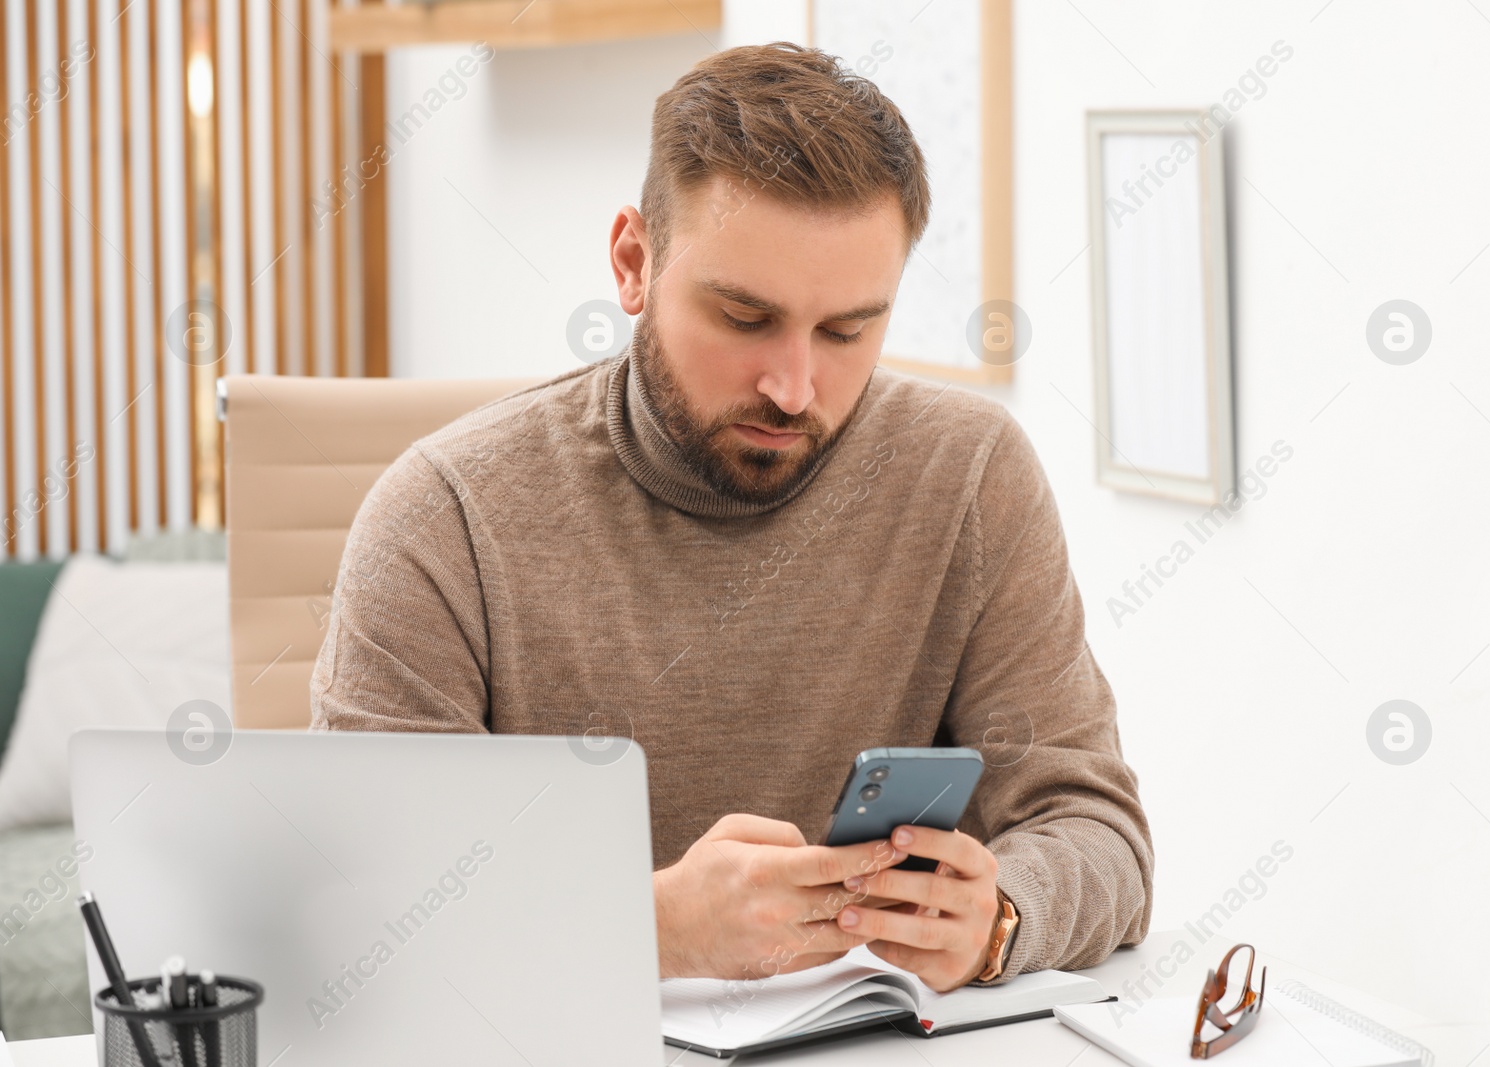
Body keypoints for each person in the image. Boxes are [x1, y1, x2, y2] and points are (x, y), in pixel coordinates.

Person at [311, 41, 1152, 993]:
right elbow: (356, 914)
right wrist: (650, 927)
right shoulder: (441, 519)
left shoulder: (971, 476)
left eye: (847, 331)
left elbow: (1098, 830)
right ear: (634, 263)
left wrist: (1000, 916)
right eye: (745, 318)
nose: (794, 388)